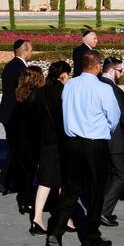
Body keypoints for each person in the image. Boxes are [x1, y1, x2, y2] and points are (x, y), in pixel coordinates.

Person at [46, 50, 120, 246]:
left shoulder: (69, 85)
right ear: (97, 66)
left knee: (71, 188)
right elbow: (114, 116)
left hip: (73, 142)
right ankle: (91, 236)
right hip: (95, 143)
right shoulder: (102, 88)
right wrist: (105, 130)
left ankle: (55, 231)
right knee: (96, 191)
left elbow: (65, 110)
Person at [29, 60, 72, 235]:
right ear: (63, 75)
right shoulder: (64, 92)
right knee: (64, 181)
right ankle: (65, 218)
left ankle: (37, 218)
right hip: (61, 142)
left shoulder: (39, 92)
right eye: (68, 74)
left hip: (44, 142)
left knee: (45, 181)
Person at [0, 39, 31, 195]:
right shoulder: (20, 67)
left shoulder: (11, 65)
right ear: (24, 51)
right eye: (30, 50)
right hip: (15, 113)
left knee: (16, 147)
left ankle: (13, 181)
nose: (32, 53)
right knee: (16, 148)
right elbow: (24, 92)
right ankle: (3, 181)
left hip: (8, 112)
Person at [8, 66, 46, 218]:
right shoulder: (37, 95)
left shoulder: (20, 93)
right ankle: (29, 200)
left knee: (26, 172)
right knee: (32, 171)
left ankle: (24, 200)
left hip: (20, 137)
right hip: (33, 139)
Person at [99, 57, 124, 228]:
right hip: (116, 140)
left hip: (99, 139)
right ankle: (104, 211)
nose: (121, 74)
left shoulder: (95, 84)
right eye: (120, 70)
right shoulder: (114, 90)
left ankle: (100, 207)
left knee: (108, 174)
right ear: (111, 70)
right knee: (121, 173)